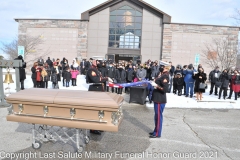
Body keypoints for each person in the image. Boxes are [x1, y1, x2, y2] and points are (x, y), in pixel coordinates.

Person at [86, 59, 112, 135]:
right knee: (94, 110)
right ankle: (93, 128)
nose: (100, 63)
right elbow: (96, 79)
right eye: (98, 62)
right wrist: (106, 78)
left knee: (100, 110)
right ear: (94, 63)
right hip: (94, 90)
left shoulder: (97, 70)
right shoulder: (91, 70)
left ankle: (98, 126)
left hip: (99, 90)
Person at [149, 62, 170, 138]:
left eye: (163, 67)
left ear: (166, 68)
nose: (161, 67)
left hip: (160, 99)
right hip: (157, 97)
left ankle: (158, 133)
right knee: (156, 116)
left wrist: (156, 86)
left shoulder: (165, 76)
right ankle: (155, 130)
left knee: (158, 117)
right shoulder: (161, 74)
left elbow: (165, 89)